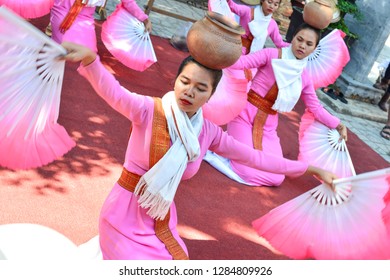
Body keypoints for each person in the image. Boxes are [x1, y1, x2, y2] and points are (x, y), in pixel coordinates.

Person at [61, 41, 338, 260]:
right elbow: (114, 92)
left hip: (160, 216)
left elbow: (257, 158)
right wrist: (91, 60)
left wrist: (309, 168)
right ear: (176, 80)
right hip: (122, 215)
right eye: (185, 81)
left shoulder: (208, 133)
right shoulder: (148, 110)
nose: (189, 91)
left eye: (200, 88)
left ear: (211, 94)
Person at [205, 23, 348, 187]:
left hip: (268, 127)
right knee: (245, 170)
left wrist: (338, 124)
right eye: (299, 39)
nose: (302, 46)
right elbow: (240, 63)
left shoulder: (305, 77)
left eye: (309, 44)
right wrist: (213, 52)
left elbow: (315, 107)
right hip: (243, 115)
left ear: (315, 49)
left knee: (277, 178)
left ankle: (232, 148)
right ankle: (222, 148)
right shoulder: (271, 54)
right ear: (292, 38)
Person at [50, 0, 152, 53]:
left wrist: (144, 18)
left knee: (89, 52)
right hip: (64, 8)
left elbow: (128, 2)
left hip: (85, 16)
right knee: (59, 47)